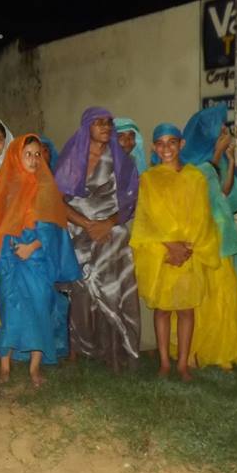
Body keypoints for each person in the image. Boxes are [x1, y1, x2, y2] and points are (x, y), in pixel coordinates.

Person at [0, 135, 80, 386]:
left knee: (39, 308)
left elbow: (52, 228)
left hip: (37, 259)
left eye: (38, 154)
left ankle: (35, 367)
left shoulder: (46, 187)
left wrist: (32, 247)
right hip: (10, 259)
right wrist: (10, 249)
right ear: (17, 156)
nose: (34, 159)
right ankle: (5, 366)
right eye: (28, 154)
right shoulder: (7, 186)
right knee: (9, 309)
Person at [130, 124, 219, 381]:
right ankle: (164, 363)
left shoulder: (195, 177)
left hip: (189, 253)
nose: (166, 148)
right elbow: (146, 219)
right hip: (162, 254)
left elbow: (202, 216)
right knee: (162, 309)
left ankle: (182, 364)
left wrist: (187, 248)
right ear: (153, 147)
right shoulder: (148, 179)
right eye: (160, 143)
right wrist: (171, 247)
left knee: (186, 309)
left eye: (172, 142)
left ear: (182, 144)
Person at [54, 107, 141, 370]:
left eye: (108, 123)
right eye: (99, 123)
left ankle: (115, 353)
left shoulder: (120, 160)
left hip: (110, 233)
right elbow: (56, 200)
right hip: (78, 231)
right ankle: (78, 352)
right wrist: (87, 224)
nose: (105, 127)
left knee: (111, 291)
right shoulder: (73, 158)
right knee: (80, 293)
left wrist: (107, 223)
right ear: (86, 127)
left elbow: (130, 202)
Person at [179, 105, 237, 370]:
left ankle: (223, 351)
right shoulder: (189, 163)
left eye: (225, 127)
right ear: (207, 131)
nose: (225, 131)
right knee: (203, 295)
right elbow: (197, 194)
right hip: (202, 239)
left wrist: (230, 162)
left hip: (223, 237)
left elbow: (224, 194)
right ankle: (196, 349)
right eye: (220, 127)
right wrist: (218, 154)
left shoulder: (217, 158)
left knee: (224, 295)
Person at [112, 117, 155, 352]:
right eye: (122, 137)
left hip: (137, 230)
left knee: (134, 282)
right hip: (114, 230)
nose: (127, 142)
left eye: (131, 137)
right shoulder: (107, 165)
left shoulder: (138, 164)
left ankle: (139, 337)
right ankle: (115, 338)